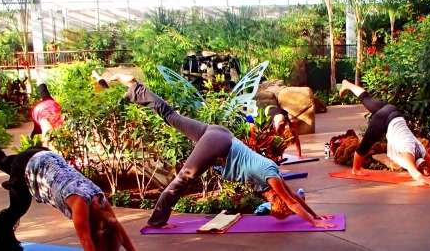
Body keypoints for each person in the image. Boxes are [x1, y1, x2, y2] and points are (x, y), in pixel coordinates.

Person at [107, 73, 336, 230]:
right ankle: (157, 221)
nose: (265, 200)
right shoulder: (272, 178)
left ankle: (133, 86)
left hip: (221, 135)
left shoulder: (271, 179)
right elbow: (292, 201)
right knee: (183, 179)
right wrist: (315, 223)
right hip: (219, 144)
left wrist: (316, 215)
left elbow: (294, 197)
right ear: (273, 197)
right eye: (271, 203)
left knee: (171, 117)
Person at [0, 142, 135, 251]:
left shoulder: (99, 198)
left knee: (6, 162)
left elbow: (117, 227)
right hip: (30, 168)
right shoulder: (80, 209)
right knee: (17, 208)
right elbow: (86, 241)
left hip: (45, 156)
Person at [337, 80, 430, 187]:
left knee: (366, 99)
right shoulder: (408, 151)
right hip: (384, 120)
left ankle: (348, 85)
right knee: (365, 145)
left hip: (393, 111)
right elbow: (415, 173)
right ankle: (355, 169)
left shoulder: (421, 149)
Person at [30, 68, 63, 149]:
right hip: (40, 111)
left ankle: (37, 73)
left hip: (50, 106)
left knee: (43, 91)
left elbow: (43, 88)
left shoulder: (59, 124)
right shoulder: (48, 125)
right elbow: (45, 140)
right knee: (38, 134)